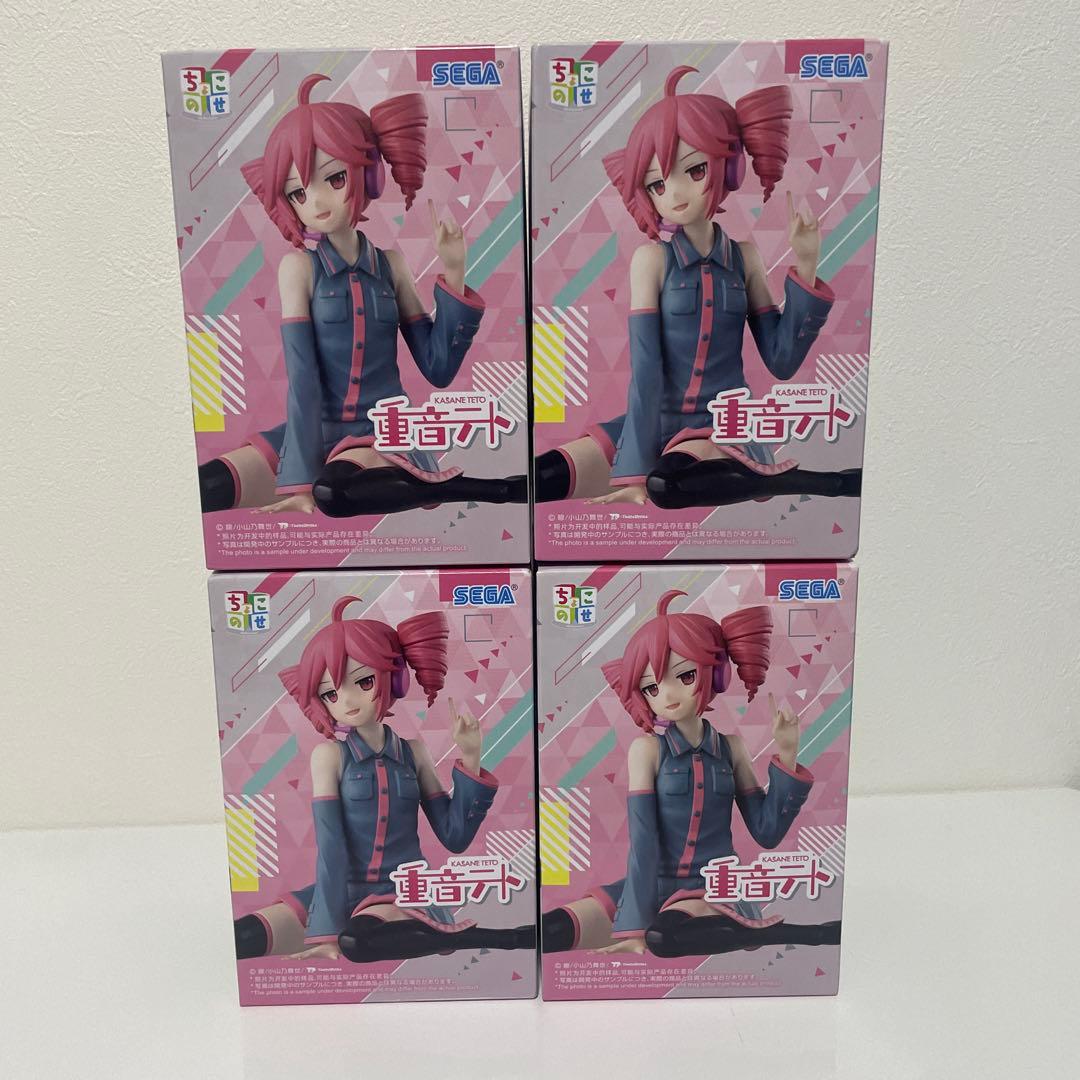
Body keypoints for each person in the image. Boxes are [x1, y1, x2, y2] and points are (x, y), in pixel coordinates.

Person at [199, 73, 525, 518]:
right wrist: (299, 476)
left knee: (333, 494)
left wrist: (454, 270)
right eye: (298, 191)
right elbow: (302, 377)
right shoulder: (299, 268)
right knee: (207, 486)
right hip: (310, 428)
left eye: (334, 179)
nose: (317, 202)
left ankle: (479, 489)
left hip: (381, 432)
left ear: (368, 175)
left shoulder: (390, 266)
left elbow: (438, 367)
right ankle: (447, 486)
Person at [534, 66, 859, 509]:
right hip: (649, 422)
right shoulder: (652, 260)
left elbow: (781, 359)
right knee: (540, 478)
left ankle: (818, 481)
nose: (675, 193)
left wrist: (806, 264)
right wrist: (634, 467)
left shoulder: (744, 258)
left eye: (695, 169)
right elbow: (645, 370)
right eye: (657, 183)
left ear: (729, 167)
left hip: (720, 428)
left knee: (665, 486)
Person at [233, 596, 534, 962]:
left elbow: (454, 836)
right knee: (243, 936)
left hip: (401, 892)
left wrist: (471, 757)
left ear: (396, 678)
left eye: (363, 681)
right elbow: (330, 846)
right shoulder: (330, 756)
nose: (347, 700)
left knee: (356, 943)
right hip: (337, 890)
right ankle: (452, 935)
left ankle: (500, 938)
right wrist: (327, 928)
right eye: (331, 692)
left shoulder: (413, 753)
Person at [541, 590, 839, 957]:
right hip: (649, 885)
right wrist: (634, 923)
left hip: (711, 890)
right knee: (550, 931)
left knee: (663, 939)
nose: (667, 695)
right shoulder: (647, 750)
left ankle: (801, 932)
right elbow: (643, 841)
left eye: (684, 676)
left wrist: (788, 755)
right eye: (652, 686)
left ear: (717, 674)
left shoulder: (731, 748)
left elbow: (767, 830)